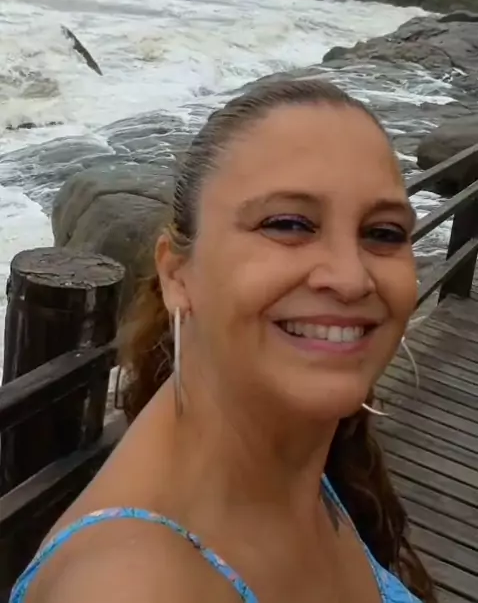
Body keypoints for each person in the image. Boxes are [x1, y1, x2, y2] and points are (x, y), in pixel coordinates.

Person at [10, 77, 437, 603]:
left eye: (384, 233)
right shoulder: (130, 586)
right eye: (289, 224)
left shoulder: (301, 459)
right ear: (176, 274)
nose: (350, 279)